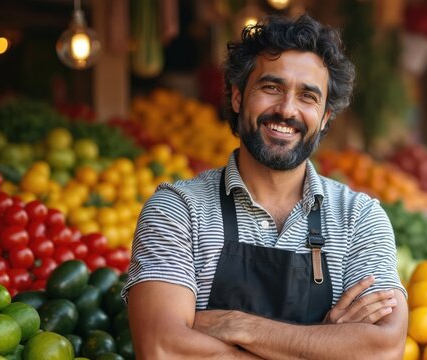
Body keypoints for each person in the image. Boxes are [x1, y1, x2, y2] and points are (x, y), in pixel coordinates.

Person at [122, 14, 408, 359]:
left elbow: (384, 349)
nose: (287, 110)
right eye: (271, 87)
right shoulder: (178, 210)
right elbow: (162, 348)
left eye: (308, 97)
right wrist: (324, 343)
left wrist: (239, 326)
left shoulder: (360, 218)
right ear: (239, 97)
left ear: (325, 117)